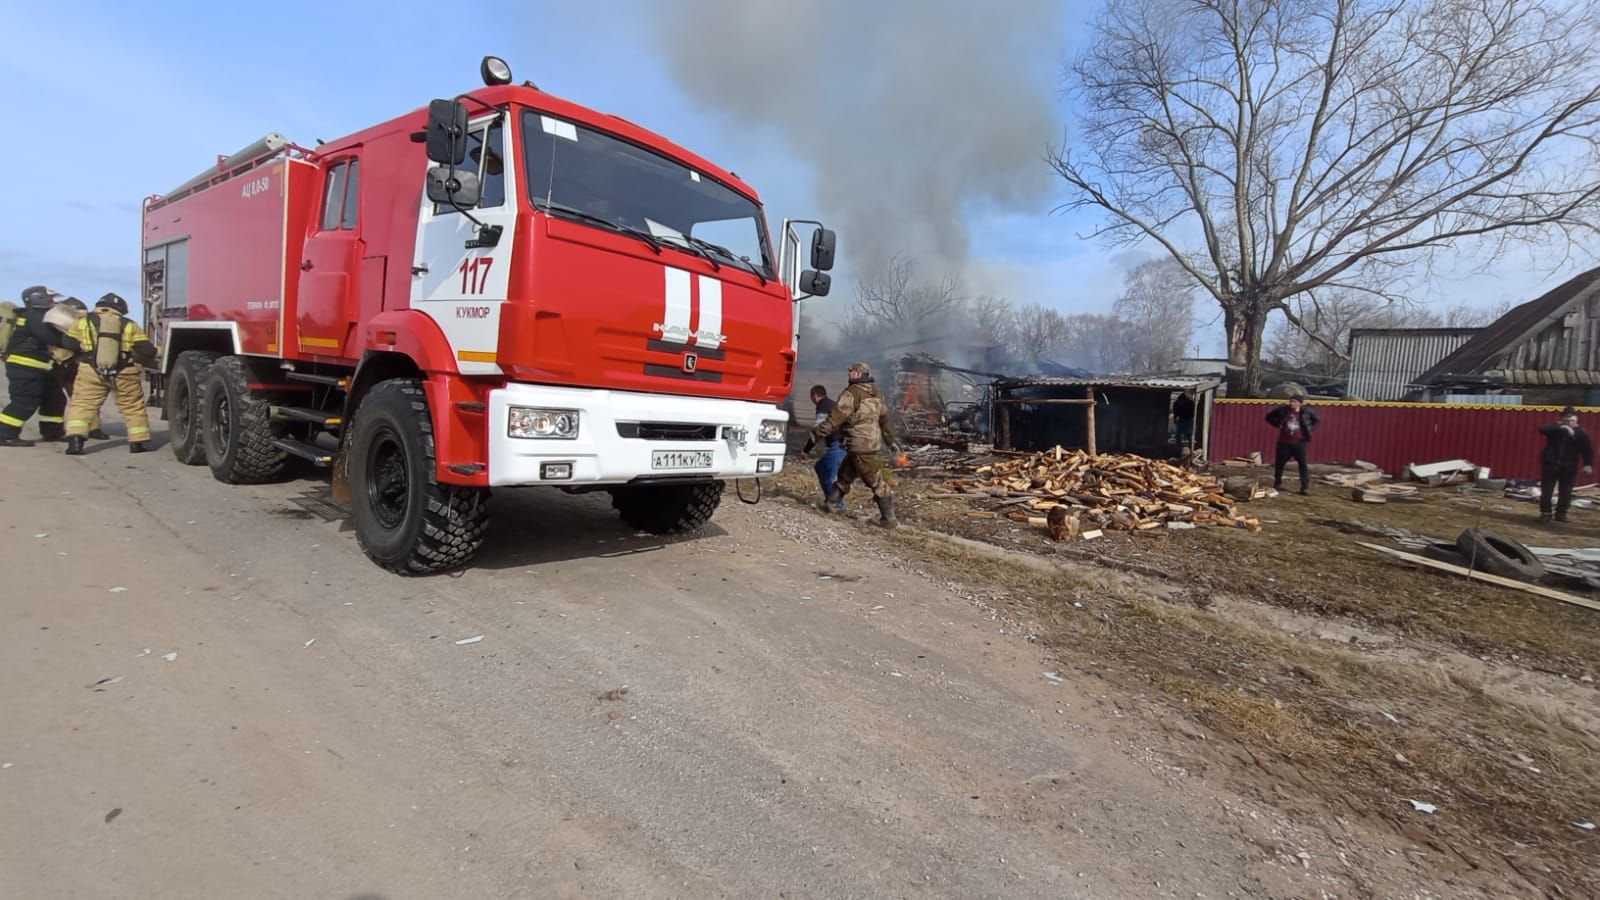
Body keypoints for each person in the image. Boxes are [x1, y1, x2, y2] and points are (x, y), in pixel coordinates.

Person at [63, 293, 157, 455]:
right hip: (124, 372)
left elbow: (68, 343)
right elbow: (147, 350)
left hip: (90, 371)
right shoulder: (129, 325)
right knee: (132, 407)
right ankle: (138, 442)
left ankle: (76, 442)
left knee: (83, 405)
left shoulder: (82, 322)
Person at [810, 362, 899, 528]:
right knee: (846, 474)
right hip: (869, 442)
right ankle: (831, 504)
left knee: (874, 480)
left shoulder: (852, 393)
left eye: (851, 370)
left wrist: (818, 432)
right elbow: (884, 420)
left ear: (859, 373)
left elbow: (837, 416)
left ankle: (889, 518)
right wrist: (890, 441)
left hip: (859, 443)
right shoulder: (877, 394)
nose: (849, 373)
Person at [0, 285, 70, 447]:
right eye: (50, 299)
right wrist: (70, 341)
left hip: (42, 367)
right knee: (24, 401)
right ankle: (5, 434)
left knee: (55, 399)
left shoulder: (38, 316)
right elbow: (48, 336)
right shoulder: (34, 315)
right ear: (38, 299)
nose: (53, 303)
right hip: (25, 367)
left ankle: (53, 432)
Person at [52, 298, 109, 441]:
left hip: (69, 364)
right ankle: (88, 429)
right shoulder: (84, 323)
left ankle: (91, 428)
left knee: (82, 400)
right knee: (79, 400)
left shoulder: (56, 322)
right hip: (68, 363)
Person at [1537, 407, 1593, 523]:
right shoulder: (1555, 429)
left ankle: (1561, 514)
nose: (1570, 423)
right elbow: (1542, 429)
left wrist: (1588, 464)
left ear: (1576, 419)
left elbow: (1587, 449)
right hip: (1551, 464)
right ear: (1562, 419)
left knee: (1566, 492)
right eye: (1567, 420)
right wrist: (1563, 427)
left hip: (1569, 466)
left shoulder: (1581, 432)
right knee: (1546, 491)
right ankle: (1546, 513)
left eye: (1572, 420)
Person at [802, 384, 848, 512]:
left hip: (839, 445)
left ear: (815, 396)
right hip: (839, 445)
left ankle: (838, 505)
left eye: (811, 397)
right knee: (820, 467)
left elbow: (817, 431)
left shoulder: (823, 407)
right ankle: (830, 500)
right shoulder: (830, 404)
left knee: (827, 475)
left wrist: (806, 450)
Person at [1264, 395, 1319, 495]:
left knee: (1303, 465)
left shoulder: (1307, 411)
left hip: (1300, 443)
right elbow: (1268, 417)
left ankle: (1304, 487)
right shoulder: (1283, 410)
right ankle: (1278, 484)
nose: (1291, 403)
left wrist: (1310, 429)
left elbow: (1317, 420)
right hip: (1284, 442)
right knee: (1280, 464)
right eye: (1291, 401)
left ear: (1300, 403)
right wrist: (1278, 424)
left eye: (1294, 402)